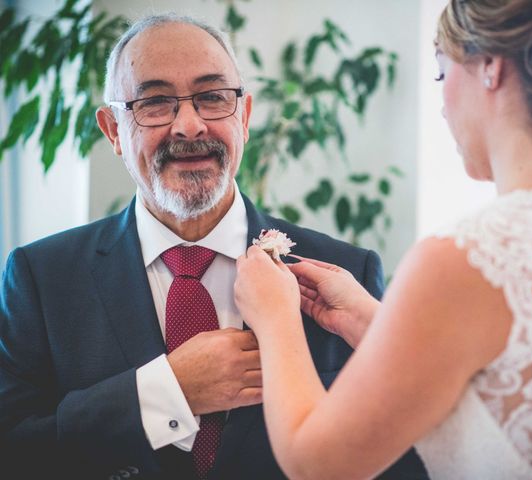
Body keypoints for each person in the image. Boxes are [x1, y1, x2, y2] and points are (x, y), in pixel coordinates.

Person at [0, 13, 428, 480]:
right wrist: (169, 390)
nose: (189, 125)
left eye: (212, 98)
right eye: (156, 102)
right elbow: (15, 452)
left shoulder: (348, 273)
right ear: (112, 132)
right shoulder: (41, 277)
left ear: (243, 116)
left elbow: (400, 462)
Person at [233, 0, 532, 478]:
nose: (443, 107)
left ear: (490, 67)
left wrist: (275, 317)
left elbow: (315, 463)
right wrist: (375, 324)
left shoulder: (469, 258)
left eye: (442, 74)